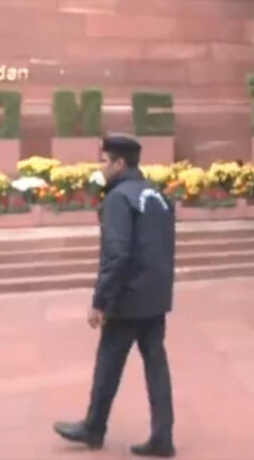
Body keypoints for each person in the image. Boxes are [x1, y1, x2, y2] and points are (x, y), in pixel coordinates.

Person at [54, 135, 176, 458]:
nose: (101, 167)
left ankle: (94, 427)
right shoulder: (157, 195)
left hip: (127, 299)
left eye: (105, 161)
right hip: (156, 296)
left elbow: (117, 253)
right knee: (156, 367)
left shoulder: (119, 198)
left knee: (108, 363)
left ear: (120, 163)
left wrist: (100, 300)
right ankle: (163, 436)